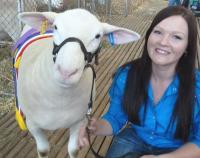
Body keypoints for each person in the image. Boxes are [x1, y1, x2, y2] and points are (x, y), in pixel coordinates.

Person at [78, 6, 200, 158]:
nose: (163, 42)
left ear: (187, 46)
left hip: (180, 148)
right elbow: (115, 118)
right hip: (135, 139)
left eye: (176, 37)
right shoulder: (127, 75)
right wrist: (95, 127)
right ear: (148, 36)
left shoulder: (197, 87)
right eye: (158, 32)